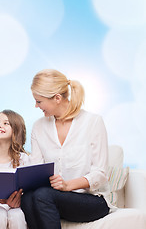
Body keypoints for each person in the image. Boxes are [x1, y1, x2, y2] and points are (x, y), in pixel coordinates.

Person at [21, 69, 112, 229]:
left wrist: (67, 185)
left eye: (39, 101)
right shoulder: (39, 126)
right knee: (27, 198)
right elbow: (36, 169)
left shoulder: (93, 122)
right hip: (52, 198)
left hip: (91, 200)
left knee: (42, 195)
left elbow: (101, 173)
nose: (36, 106)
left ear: (57, 98)